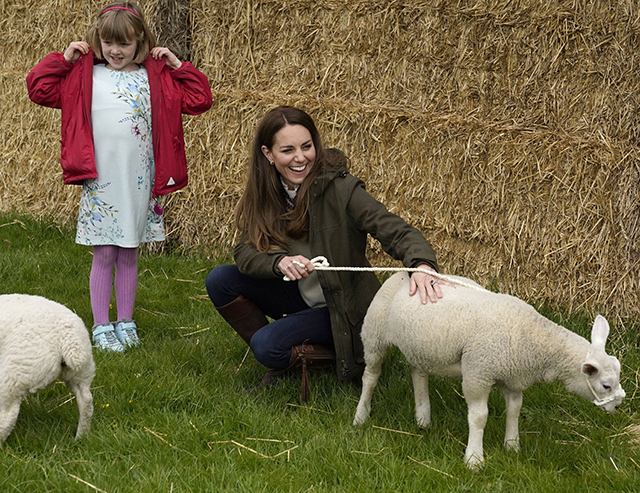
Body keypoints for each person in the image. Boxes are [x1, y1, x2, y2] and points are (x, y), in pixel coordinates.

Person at [206, 106, 449, 395]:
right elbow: (244, 252)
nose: (300, 158)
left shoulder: (341, 189)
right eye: (288, 150)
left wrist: (422, 265)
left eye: (307, 147)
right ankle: (288, 356)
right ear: (268, 154)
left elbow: (396, 230)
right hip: (301, 293)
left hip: (343, 305)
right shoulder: (267, 192)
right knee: (221, 279)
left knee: (266, 346)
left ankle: (331, 354)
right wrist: (279, 262)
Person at [26, 1, 213, 351]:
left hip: (140, 180)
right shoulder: (84, 77)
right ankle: (101, 325)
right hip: (101, 180)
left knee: (129, 251)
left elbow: (201, 99)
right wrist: (63, 60)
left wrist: (178, 65)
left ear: (140, 41)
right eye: (109, 42)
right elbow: (38, 88)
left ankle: (125, 321)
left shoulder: (153, 77)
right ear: (98, 40)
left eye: (124, 44)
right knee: (105, 253)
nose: (115, 50)